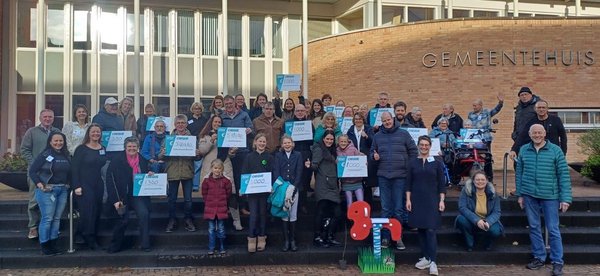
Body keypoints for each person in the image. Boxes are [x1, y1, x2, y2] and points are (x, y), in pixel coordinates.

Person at [515, 124, 572, 276]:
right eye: (534, 133)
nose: (537, 135)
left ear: (545, 133)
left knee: (553, 229)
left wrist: (565, 198)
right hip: (529, 194)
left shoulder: (556, 150)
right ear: (529, 134)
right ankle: (539, 257)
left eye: (540, 132)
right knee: (534, 227)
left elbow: (563, 175)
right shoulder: (523, 150)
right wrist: (520, 194)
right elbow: (519, 173)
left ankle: (557, 261)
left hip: (550, 196)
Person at [370, 111, 418, 250]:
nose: (387, 122)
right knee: (385, 209)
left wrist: (407, 166)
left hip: (400, 176)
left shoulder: (404, 133)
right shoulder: (377, 136)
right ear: (382, 122)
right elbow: (372, 152)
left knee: (398, 209)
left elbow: (413, 151)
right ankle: (385, 238)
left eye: (388, 120)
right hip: (383, 176)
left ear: (392, 119)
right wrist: (374, 156)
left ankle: (397, 237)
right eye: (384, 121)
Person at [405, 136, 446, 276]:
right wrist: (408, 200)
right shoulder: (412, 163)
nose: (424, 147)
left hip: (432, 200)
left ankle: (433, 261)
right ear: (418, 146)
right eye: (421, 145)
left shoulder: (437, 163)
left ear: (430, 146)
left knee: (430, 229)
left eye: (426, 145)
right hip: (416, 200)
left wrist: (441, 200)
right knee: (421, 229)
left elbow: (442, 184)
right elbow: (408, 183)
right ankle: (426, 258)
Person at [105, 136, 153, 253]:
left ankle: (145, 244)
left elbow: (145, 175)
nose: (132, 148)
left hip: (137, 195)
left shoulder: (142, 160)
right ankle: (115, 246)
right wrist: (116, 200)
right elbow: (110, 180)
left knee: (144, 214)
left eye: (134, 146)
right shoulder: (116, 160)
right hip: (121, 195)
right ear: (125, 148)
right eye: (129, 146)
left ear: (138, 148)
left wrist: (150, 174)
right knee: (123, 220)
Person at [20, 109, 61, 239]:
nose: (48, 119)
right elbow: (24, 150)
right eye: (45, 117)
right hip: (36, 173)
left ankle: (49, 227)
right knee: (34, 200)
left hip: (52, 173)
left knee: (51, 199)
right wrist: (35, 164)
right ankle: (33, 227)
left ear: (53, 118)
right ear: (40, 118)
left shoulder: (57, 132)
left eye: (50, 117)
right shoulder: (31, 132)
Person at [28, 132, 70, 255]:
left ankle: (53, 244)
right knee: (47, 218)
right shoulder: (45, 155)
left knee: (56, 218)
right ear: (50, 142)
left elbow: (69, 172)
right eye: (55, 141)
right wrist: (39, 184)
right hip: (47, 190)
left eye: (61, 141)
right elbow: (33, 171)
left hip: (62, 190)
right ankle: (45, 245)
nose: (58, 143)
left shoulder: (66, 155)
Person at [198, 115, 242, 231]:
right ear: (211, 123)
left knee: (232, 193)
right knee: (211, 195)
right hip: (210, 167)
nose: (217, 124)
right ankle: (212, 221)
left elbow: (231, 154)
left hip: (225, 165)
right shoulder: (205, 136)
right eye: (215, 122)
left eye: (219, 122)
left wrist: (233, 151)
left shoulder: (226, 135)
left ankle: (236, 221)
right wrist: (211, 140)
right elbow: (202, 151)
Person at [72, 123, 108, 250]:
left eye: (98, 132)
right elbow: (74, 169)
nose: (95, 134)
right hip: (84, 184)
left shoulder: (102, 148)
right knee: (88, 211)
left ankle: (89, 235)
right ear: (88, 133)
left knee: (97, 211)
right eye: (93, 132)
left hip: (98, 184)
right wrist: (76, 185)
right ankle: (88, 237)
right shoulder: (81, 149)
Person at [159, 115, 196, 233]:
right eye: (178, 123)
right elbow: (160, 156)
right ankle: (172, 219)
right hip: (172, 170)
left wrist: (198, 153)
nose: (180, 125)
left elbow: (198, 156)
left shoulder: (192, 138)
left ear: (186, 124)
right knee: (172, 199)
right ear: (175, 125)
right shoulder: (168, 139)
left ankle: (188, 219)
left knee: (188, 199)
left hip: (187, 170)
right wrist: (163, 153)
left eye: (183, 123)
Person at [221, 95, 254, 215]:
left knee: (242, 180)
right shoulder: (222, 117)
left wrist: (249, 130)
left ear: (235, 103)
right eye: (226, 104)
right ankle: (230, 206)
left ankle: (243, 206)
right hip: (228, 153)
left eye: (230, 103)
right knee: (229, 180)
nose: (229, 105)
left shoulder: (244, 115)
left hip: (242, 152)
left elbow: (251, 128)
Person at [455, 171, 503, 252]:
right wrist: (477, 220)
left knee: (496, 231)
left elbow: (497, 212)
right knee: (461, 220)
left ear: (487, 181)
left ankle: (487, 243)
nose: (480, 182)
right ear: (473, 181)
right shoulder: (466, 191)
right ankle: (470, 243)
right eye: (477, 180)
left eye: (482, 179)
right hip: (471, 220)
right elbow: (462, 207)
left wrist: (488, 222)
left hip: (487, 221)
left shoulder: (493, 193)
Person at [272, 135, 305, 252]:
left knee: (293, 214)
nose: (287, 145)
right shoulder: (278, 156)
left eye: (289, 143)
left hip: (294, 188)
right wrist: (282, 186)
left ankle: (293, 240)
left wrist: (293, 186)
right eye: (285, 143)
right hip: (282, 189)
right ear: (282, 145)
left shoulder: (298, 155)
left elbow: (299, 170)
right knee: (285, 213)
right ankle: (286, 240)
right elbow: (276, 171)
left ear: (293, 144)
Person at [242, 134, 273, 253]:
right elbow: (244, 172)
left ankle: (262, 237)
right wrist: (243, 189)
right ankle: (251, 238)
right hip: (252, 192)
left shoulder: (269, 157)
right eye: (260, 141)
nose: (262, 143)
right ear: (255, 143)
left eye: (264, 141)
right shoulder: (249, 157)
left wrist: (271, 186)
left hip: (264, 191)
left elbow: (272, 172)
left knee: (262, 214)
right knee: (254, 215)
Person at [310, 130, 341, 248]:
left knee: (337, 213)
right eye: (327, 139)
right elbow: (314, 165)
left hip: (333, 184)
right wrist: (309, 165)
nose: (329, 141)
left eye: (331, 139)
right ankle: (317, 237)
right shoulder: (319, 150)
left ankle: (329, 236)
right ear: (323, 139)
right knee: (321, 211)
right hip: (322, 184)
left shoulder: (334, 151)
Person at [285, 103, 314, 215]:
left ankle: (303, 204)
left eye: (302, 110)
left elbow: (312, 140)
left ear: (305, 112)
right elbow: (285, 139)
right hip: (292, 155)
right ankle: (291, 202)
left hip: (306, 154)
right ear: (294, 112)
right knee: (293, 179)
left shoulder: (309, 124)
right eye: (298, 111)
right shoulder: (289, 124)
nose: (300, 113)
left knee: (305, 180)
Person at [467, 95, 504, 182]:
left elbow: (496, 110)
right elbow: (468, 124)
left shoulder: (487, 112)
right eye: (473, 105)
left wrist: (500, 103)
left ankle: (489, 178)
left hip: (485, 139)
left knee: (487, 157)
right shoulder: (470, 114)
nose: (474, 107)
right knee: (473, 157)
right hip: (474, 139)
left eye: (475, 105)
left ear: (480, 105)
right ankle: (474, 177)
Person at [201, 159, 232, 255]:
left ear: (222, 169)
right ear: (211, 169)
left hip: (221, 208)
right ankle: (211, 247)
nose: (217, 170)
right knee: (211, 228)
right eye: (215, 168)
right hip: (210, 208)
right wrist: (208, 203)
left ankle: (222, 245)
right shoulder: (206, 181)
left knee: (221, 228)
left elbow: (228, 193)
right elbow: (204, 193)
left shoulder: (226, 181)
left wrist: (224, 203)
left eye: (219, 168)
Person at [347, 113, 376, 203]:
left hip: (366, 159)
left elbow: (373, 142)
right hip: (355, 160)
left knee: (366, 184)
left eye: (360, 119)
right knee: (357, 184)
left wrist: (367, 137)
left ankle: (368, 207)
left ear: (363, 120)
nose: (358, 121)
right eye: (356, 119)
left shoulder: (368, 128)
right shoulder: (351, 130)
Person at [336, 135, 364, 207]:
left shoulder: (353, 149)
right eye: (341, 141)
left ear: (348, 142)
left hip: (357, 181)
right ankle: (350, 218)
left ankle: (361, 218)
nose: (343, 143)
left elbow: (360, 159)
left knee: (361, 202)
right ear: (338, 142)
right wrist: (336, 162)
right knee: (349, 203)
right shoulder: (337, 151)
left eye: (345, 141)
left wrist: (364, 162)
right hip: (346, 182)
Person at [187, 102, 209, 191]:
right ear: (192, 110)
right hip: (189, 143)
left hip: (200, 142)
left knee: (198, 164)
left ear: (201, 110)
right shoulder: (188, 120)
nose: (197, 110)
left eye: (199, 109)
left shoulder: (204, 120)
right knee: (190, 165)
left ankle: (196, 186)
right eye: (195, 109)